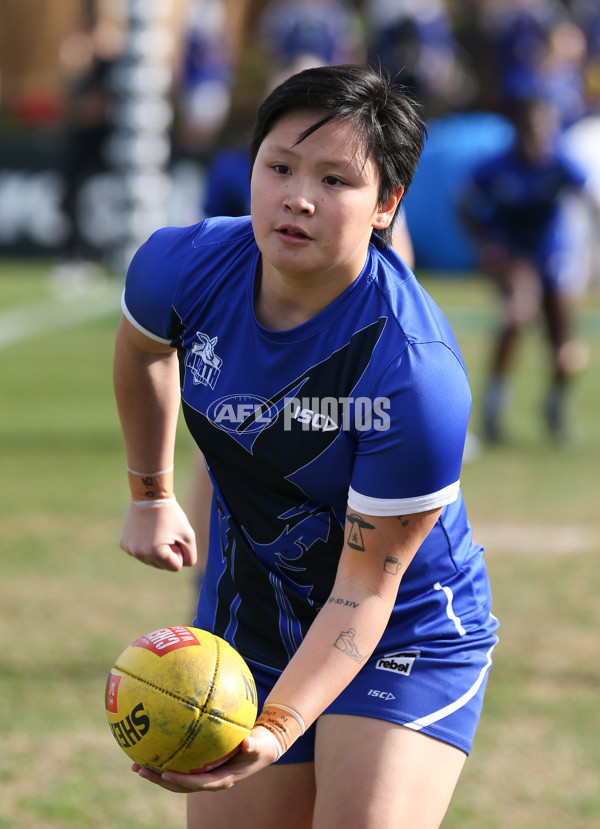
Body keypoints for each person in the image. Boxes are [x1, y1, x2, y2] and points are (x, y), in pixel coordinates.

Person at [113, 64, 499, 829]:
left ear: (387, 204)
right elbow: (141, 349)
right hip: (257, 618)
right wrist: (149, 494)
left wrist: (278, 726)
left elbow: (363, 592)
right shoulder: (181, 264)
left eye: (336, 180)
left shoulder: (414, 374)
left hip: (404, 632)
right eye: (279, 166)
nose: (298, 196)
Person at [459, 95, 591, 444]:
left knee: (564, 348)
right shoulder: (497, 166)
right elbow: (464, 204)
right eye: (533, 131)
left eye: (547, 131)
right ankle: (493, 406)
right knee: (517, 314)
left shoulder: (560, 162)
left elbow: (591, 200)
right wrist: (484, 243)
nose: (540, 139)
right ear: (519, 132)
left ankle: (556, 408)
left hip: (553, 251)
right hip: (512, 252)